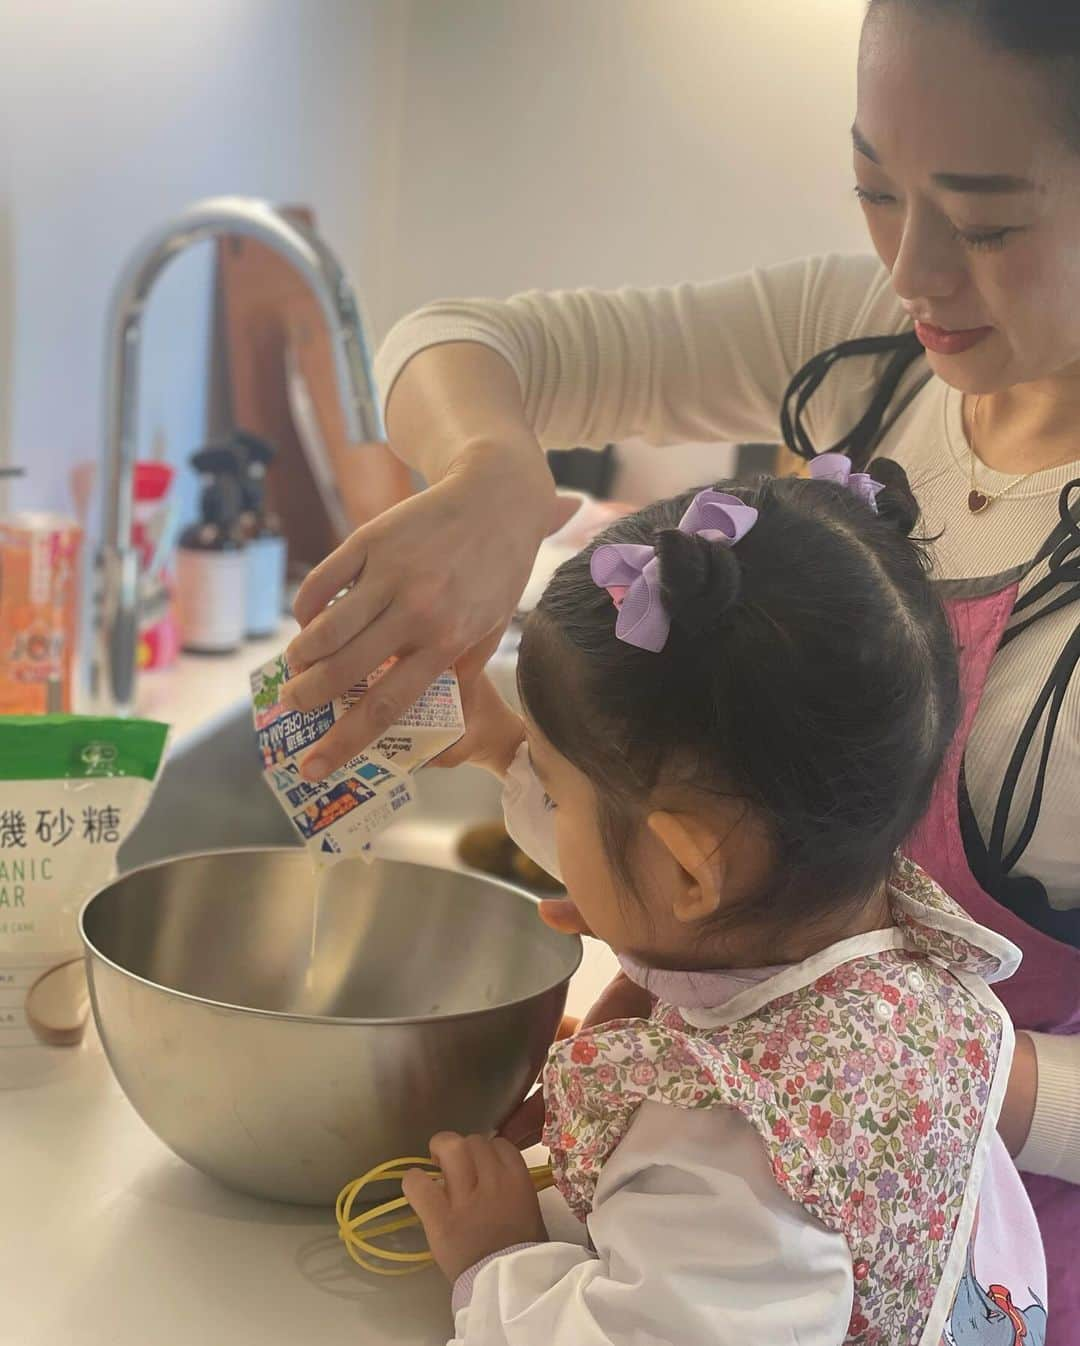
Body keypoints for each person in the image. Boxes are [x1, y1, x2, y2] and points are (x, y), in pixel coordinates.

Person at [280, 0, 1080, 1329]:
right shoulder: (866, 346)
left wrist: (858, 1057)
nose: (913, 273)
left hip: (963, 1240)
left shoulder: (763, 1135)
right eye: (877, 187)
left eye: (989, 222)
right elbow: (463, 337)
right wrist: (491, 478)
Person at [397, 459, 1046, 1345]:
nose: (548, 813)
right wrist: (504, 748)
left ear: (690, 875)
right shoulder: (869, 920)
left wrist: (499, 1261)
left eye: (555, 791)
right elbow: (656, 850)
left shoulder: (728, 1156)